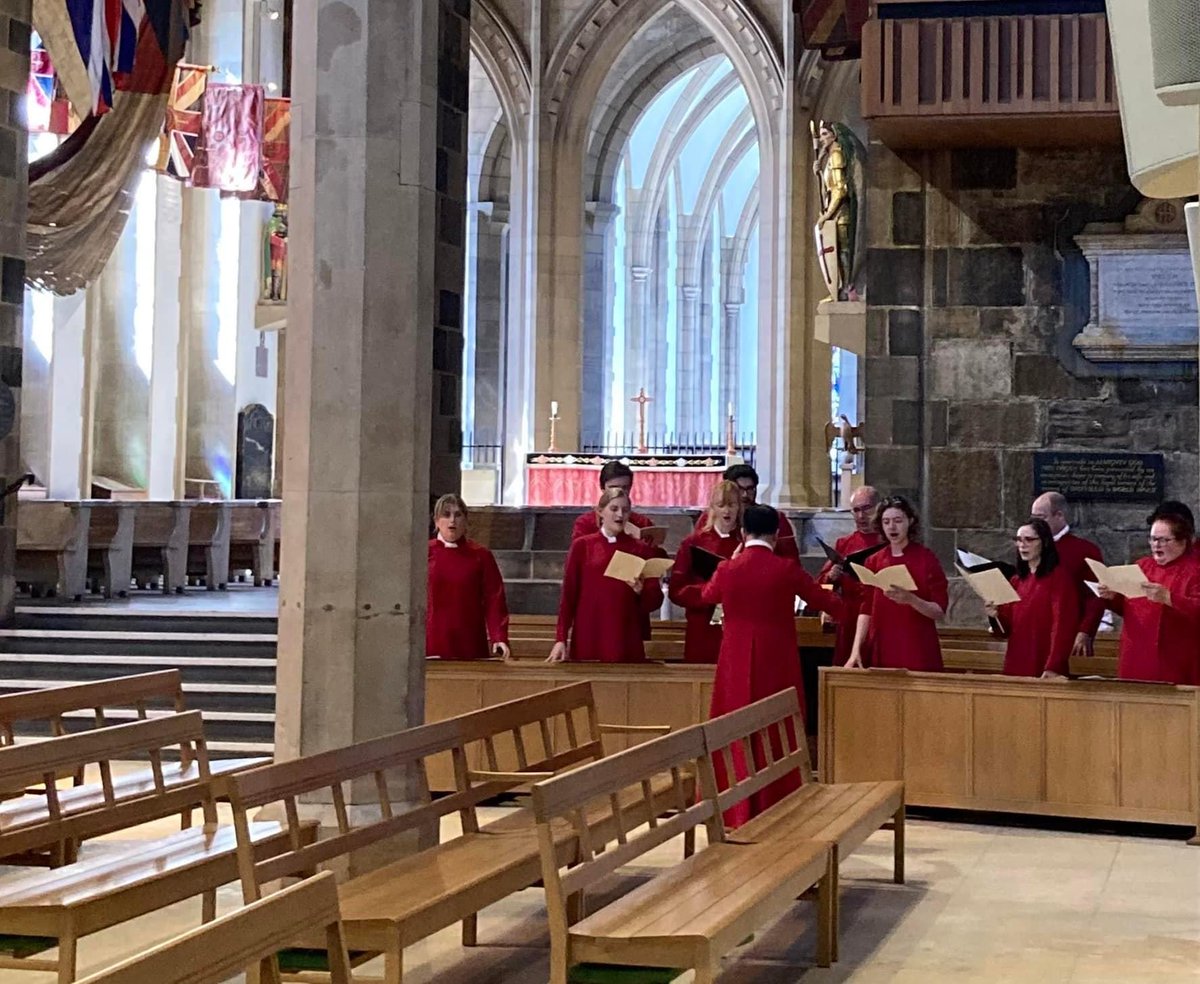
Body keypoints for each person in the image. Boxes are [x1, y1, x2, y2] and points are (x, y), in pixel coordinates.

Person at [701, 504, 844, 826]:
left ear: (743, 533)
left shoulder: (728, 569)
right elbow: (826, 601)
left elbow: (708, 595)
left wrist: (733, 560)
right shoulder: (785, 568)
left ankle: (732, 806)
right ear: (776, 535)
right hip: (776, 661)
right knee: (776, 728)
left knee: (734, 725)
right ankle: (779, 800)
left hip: (735, 660)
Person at [549, 488, 665, 664]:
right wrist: (560, 638)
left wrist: (640, 592)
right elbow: (568, 596)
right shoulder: (583, 546)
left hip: (625, 635)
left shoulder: (640, 549)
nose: (620, 515)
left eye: (625, 510)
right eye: (614, 509)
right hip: (589, 632)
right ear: (600, 511)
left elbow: (655, 601)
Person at [1097, 511, 1200, 685]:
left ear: (1182, 541)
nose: (1156, 545)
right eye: (1153, 539)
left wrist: (1169, 598)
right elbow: (1129, 607)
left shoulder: (1195, 571)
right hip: (1136, 654)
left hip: (1174, 658)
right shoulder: (1142, 566)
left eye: (1164, 540)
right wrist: (1112, 597)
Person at [847, 495, 947, 671]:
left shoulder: (926, 558)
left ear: (910, 521)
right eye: (886, 522)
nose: (891, 527)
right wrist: (855, 650)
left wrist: (912, 600)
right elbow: (866, 609)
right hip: (883, 644)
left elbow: (939, 611)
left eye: (898, 521)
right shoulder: (874, 560)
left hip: (917, 646)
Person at [984, 518, 1076, 679]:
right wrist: (994, 615)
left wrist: (1053, 666)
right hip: (1016, 658)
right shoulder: (1017, 580)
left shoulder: (1058, 578)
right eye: (1019, 540)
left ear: (1044, 542)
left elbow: (1063, 626)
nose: (1022, 545)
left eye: (1029, 539)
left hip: (1044, 660)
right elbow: (1005, 630)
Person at [426, 494, 510, 661]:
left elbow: (494, 600)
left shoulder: (481, 555)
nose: (452, 521)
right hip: (432, 639)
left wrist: (498, 637)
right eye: (446, 515)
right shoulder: (424, 553)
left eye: (458, 515)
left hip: (469, 640)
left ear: (465, 521)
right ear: (436, 521)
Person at [668, 481, 741, 663]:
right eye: (721, 505)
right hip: (702, 627)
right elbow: (676, 590)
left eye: (732, 505)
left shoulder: (744, 543)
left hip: (736, 626)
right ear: (712, 507)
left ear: (739, 507)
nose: (727, 511)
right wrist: (708, 592)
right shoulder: (693, 543)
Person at [1030, 492, 1106, 658]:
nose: (1034, 524)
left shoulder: (1084, 550)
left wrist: (1085, 631)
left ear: (1059, 516)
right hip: (1033, 633)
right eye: (1032, 518)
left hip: (1067, 633)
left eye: (1040, 518)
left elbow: (1096, 595)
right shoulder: (1030, 547)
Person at [817, 485, 882, 666]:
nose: (861, 516)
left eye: (866, 508)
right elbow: (821, 584)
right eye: (856, 510)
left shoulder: (889, 541)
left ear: (879, 507)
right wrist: (831, 577)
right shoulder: (844, 544)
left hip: (880, 615)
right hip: (850, 616)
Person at [696, 464, 800, 560]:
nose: (745, 495)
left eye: (750, 489)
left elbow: (791, 561)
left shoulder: (773, 518)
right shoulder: (712, 517)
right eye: (739, 489)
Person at [570, 460, 654, 542]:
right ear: (602, 488)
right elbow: (579, 549)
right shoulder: (585, 523)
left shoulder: (643, 523)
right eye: (614, 487)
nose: (620, 492)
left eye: (624, 488)